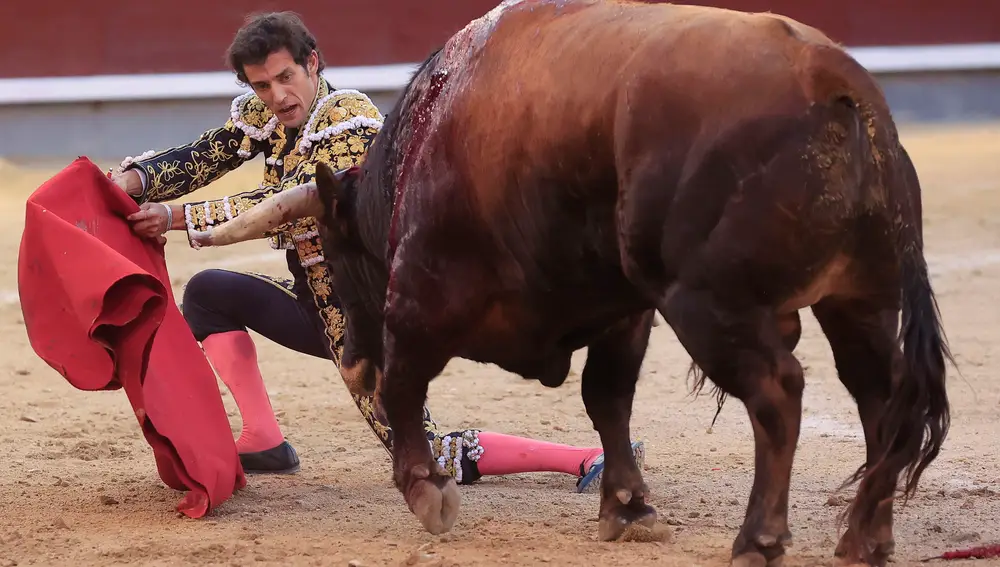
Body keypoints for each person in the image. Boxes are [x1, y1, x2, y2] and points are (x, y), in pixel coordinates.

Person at [108, 11, 643, 493]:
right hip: (314, 301)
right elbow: (207, 154)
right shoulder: (265, 114)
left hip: (371, 313)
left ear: (312, 63)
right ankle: (263, 439)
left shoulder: (350, 119)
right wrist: (136, 180)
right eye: (263, 85)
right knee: (209, 294)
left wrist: (176, 217)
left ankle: (583, 458)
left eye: (285, 77)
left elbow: (290, 203)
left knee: (424, 451)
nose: (276, 95)